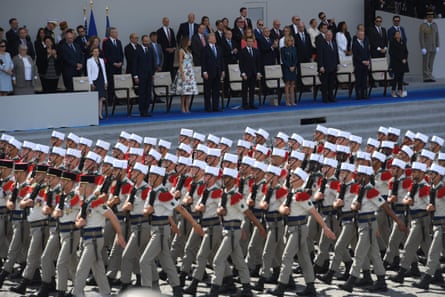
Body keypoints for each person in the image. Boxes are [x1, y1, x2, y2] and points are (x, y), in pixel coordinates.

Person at [172, 36, 198, 113]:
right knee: (184, 91)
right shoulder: (181, 51)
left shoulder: (189, 51)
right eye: (189, 40)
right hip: (184, 70)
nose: (190, 42)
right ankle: (182, 107)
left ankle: (187, 107)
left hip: (189, 71)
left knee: (188, 91)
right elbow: (180, 62)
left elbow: (191, 61)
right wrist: (182, 73)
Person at [133, 35, 156, 117]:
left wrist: (153, 73)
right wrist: (135, 76)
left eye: (147, 41)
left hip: (149, 75)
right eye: (145, 41)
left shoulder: (150, 49)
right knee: (142, 93)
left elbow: (153, 62)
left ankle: (146, 109)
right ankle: (142, 110)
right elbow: (135, 64)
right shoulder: (137, 50)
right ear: (142, 41)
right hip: (141, 75)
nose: (146, 43)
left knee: (148, 93)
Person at [201, 33, 225, 112]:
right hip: (208, 72)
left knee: (216, 91)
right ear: (208, 39)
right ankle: (207, 107)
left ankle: (215, 106)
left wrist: (222, 70)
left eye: (214, 37)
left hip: (217, 72)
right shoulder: (205, 49)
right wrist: (204, 71)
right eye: (213, 37)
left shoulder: (218, 48)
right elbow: (203, 61)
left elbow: (221, 60)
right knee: (208, 91)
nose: (214, 38)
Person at [239, 36, 261, 109]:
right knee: (245, 89)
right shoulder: (242, 51)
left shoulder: (255, 50)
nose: (250, 43)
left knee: (252, 89)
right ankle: (244, 104)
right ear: (246, 42)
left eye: (251, 41)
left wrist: (258, 72)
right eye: (248, 41)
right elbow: (241, 63)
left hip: (253, 73)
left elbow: (258, 63)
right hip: (246, 73)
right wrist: (243, 73)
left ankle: (252, 103)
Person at [103, 27, 124, 104]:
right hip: (111, 67)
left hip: (119, 67)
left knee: (118, 83)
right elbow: (107, 55)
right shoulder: (106, 42)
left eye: (116, 32)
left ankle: (118, 99)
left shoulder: (119, 42)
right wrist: (113, 63)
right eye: (114, 32)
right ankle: (111, 100)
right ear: (111, 33)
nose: (116, 33)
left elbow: (121, 54)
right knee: (111, 84)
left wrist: (121, 62)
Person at [317, 30, 339, 103]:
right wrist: (321, 66)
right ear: (325, 36)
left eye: (330, 35)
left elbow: (336, 54)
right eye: (327, 35)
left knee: (331, 83)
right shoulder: (322, 44)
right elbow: (320, 56)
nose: (329, 36)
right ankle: (325, 98)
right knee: (325, 84)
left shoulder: (334, 43)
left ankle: (331, 97)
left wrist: (337, 64)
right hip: (325, 67)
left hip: (333, 66)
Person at [87, 47, 108, 119]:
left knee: (101, 98)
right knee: (95, 98)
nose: (96, 53)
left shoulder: (101, 60)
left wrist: (105, 81)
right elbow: (89, 73)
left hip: (101, 79)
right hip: (94, 80)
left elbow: (104, 71)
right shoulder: (89, 61)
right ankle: (94, 113)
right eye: (94, 51)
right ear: (92, 52)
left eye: (97, 51)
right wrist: (91, 82)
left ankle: (100, 113)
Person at [419, 11, 440, 82]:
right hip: (426, 47)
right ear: (427, 17)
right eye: (429, 17)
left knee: (431, 62)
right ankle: (426, 77)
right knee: (426, 63)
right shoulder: (423, 25)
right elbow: (421, 37)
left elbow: (437, 36)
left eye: (431, 17)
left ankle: (430, 75)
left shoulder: (434, 25)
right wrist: (422, 47)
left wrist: (437, 46)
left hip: (433, 46)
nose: (430, 18)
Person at [389, 31, 409, 98]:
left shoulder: (403, 42)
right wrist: (401, 59)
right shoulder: (392, 43)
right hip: (396, 62)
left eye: (399, 34)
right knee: (396, 77)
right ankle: (393, 91)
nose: (398, 35)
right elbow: (392, 53)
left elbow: (406, 51)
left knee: (401, 78)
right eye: (397, 34)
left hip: (403, 63)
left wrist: (405, 58)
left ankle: (400, 91)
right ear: (394, 36)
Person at [352, 30, 371, 100]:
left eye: (363, 35)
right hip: (358, 65)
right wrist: (362, 61)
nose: (362, 36)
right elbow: (355, 55)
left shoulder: (365, 42)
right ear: (357, 35)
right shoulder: (355, 43)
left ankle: (365, 94)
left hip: (365, 64)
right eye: (360, 35)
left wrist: (368, 60)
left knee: (364, 80)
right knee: (358, 80)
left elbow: (368, 52)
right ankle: (358, 95)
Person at [281, 36, 297, 106]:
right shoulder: (283, 49)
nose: (290, 42)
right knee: (287, 84)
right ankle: (287, 101)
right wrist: (289, 66)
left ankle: (293, 101)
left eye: (291, 40)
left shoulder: (294, 49)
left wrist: (294, 66)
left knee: (292, 84)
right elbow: (283, 60)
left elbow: (296, 59)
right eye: (289, 40)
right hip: (286, 68)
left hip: (293, 68)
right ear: (286, 41)